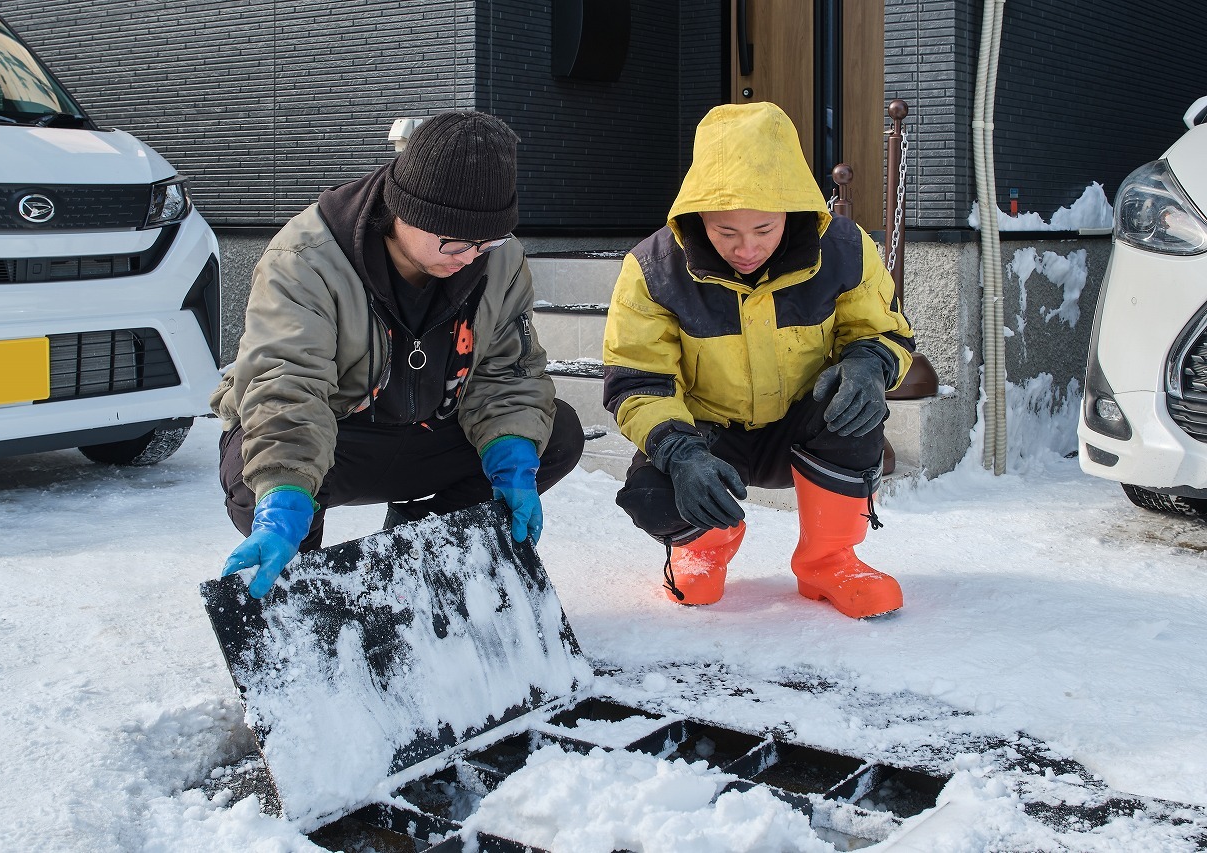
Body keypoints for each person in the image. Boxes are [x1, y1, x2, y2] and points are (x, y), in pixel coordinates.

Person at [213, 110, 584, 599]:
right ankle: (301, 583)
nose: (471, 256)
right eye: (455, 241)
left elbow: (507, 371)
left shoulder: (499, 259)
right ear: (405, 210)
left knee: (553, 433)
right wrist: (283, 501)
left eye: (487, 241)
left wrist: (513, 463)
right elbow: (286, 385)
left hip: (432, 432)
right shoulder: (307, 259)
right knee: (253, 471)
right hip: (342, 441)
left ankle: (425, 537)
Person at [601, 102, 916, 618]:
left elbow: (882, 330)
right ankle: (703, 551)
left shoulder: (843, 249)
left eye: (764, 230)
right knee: (652, 491)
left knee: (859, 407)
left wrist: (869, 364)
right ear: (698, 215)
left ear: (790, 212)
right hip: (710, 439)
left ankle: (830, 559)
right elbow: (638, 381)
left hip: (803, 427)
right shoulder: (652, 269)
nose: (746, 249)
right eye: (726, 233)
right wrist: (681, 453)